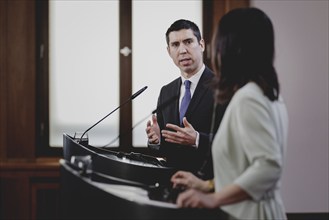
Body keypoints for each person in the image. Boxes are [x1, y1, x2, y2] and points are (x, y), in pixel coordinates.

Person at [170, 8, 289, 220]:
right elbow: (244, 167)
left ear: (230, 46)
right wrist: (207, 185)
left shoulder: (247, 98)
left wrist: (214, 198)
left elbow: (268, 167)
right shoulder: (268, 94)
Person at [145, 19, 226, 178]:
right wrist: (157, 141)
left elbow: (234, 142)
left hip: (209, 184)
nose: (182, 50)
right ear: (169, 51)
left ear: (201, 44)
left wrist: (197, 139)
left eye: (188, 42)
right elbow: (168, 148)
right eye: (175, 45)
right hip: (172, 182)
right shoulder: (166, 91)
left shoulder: (222, 87)